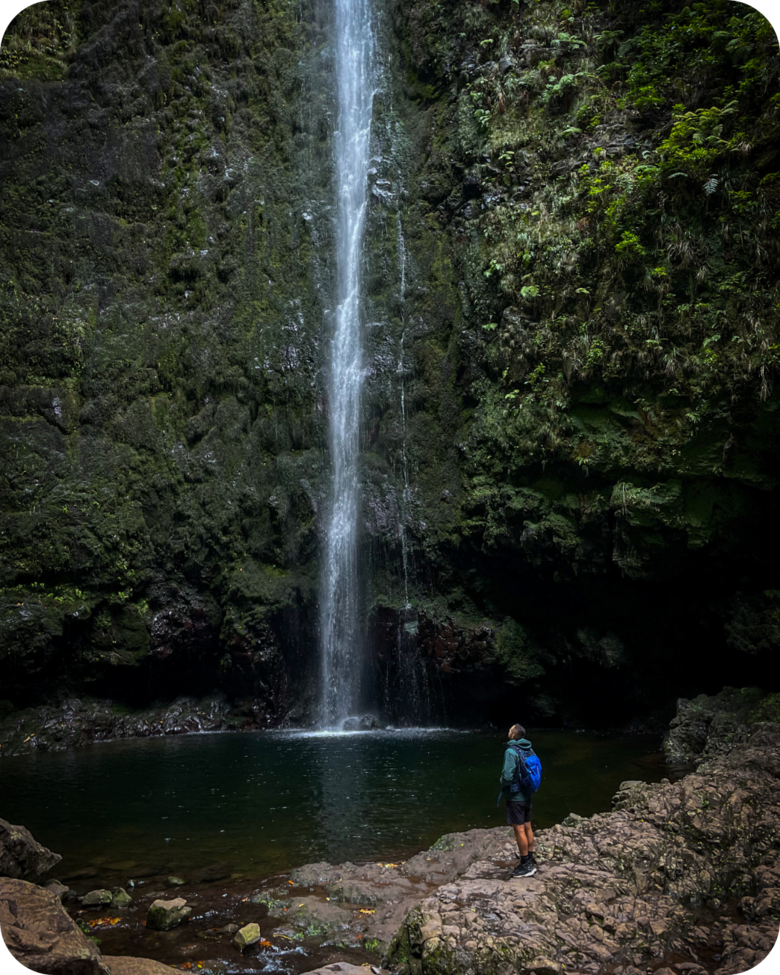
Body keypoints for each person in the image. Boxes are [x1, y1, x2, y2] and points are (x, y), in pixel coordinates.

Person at [500, 723, 537, 878]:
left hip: (516, 797)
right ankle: (530, 857)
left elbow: (507, 776)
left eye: (510, 730)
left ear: (513, 735)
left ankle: (525, 865)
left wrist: (502, 781)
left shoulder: (511, 751)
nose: (508, 731)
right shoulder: (528, 748)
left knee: (519, 830)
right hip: (527, 793)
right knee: (527, 826)